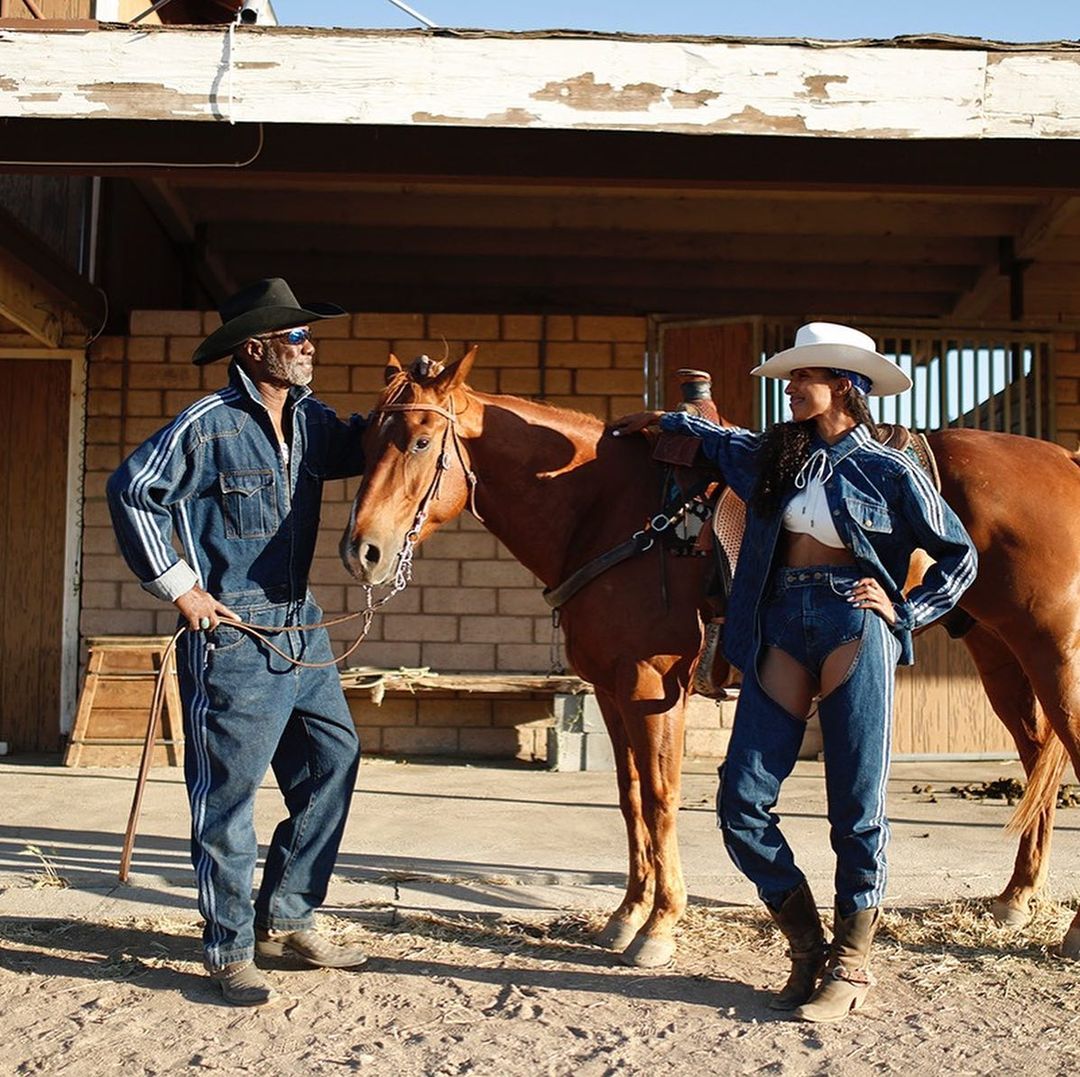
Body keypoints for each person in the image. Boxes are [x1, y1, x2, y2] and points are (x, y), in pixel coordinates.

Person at [611, 322, 977, 1022]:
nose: (787, 388)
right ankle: (806, 943)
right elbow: (717, 441)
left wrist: (905, 607)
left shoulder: (891, 469)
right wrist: (664, 420)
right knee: (740, 800)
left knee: (856, 805)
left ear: (842, 383)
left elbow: (960, 555)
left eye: (799, 377)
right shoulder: (774, 455)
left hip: (853, 622)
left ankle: (853, 962)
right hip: (781, 621)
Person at [107, 278, 370, 1006]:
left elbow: (373, 443)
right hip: (233, 631)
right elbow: (132, 490)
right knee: (228, 798)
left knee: (334, 760)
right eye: (295, 337)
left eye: (307, 335)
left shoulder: (314, 423)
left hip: (301, 623)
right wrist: (183, 589)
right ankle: (227, 947)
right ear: (255, 348)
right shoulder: (207, 423)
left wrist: (410, 400)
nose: (308, 345)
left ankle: (286, 917)